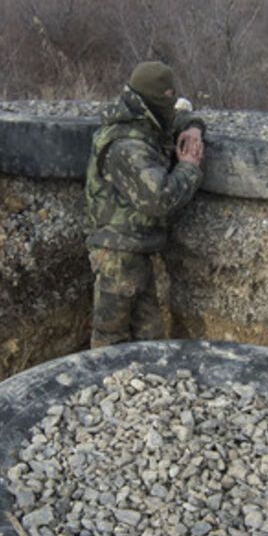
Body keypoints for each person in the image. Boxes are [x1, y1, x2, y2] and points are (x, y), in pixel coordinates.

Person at [85, 61, 205, 348]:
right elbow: (160, 199)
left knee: (150, 341)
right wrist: (189, 167)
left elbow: (177, 116)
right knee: (110, 344)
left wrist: (194, 128)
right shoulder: (128, 146)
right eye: (167, 97)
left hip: (137, 249)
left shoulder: (141, 117)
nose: (171, 104)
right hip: (118, 255)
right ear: (152, 97)